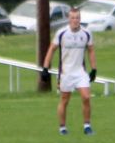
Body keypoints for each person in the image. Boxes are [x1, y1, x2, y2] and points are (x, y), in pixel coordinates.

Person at [41, 7, 96, 135]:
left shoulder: (86, 33)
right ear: (68, 19)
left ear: (80, 19)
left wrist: (94, 69)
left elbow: (91, 50)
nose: (75, 20)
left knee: (86, 97)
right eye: (72, 18)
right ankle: (62, 127)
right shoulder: (62, 33)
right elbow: (51, 49)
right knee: (65, 100)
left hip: (80, 72)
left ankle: (87, 126)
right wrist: (45, 68)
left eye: (77, 18)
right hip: (66, 73)